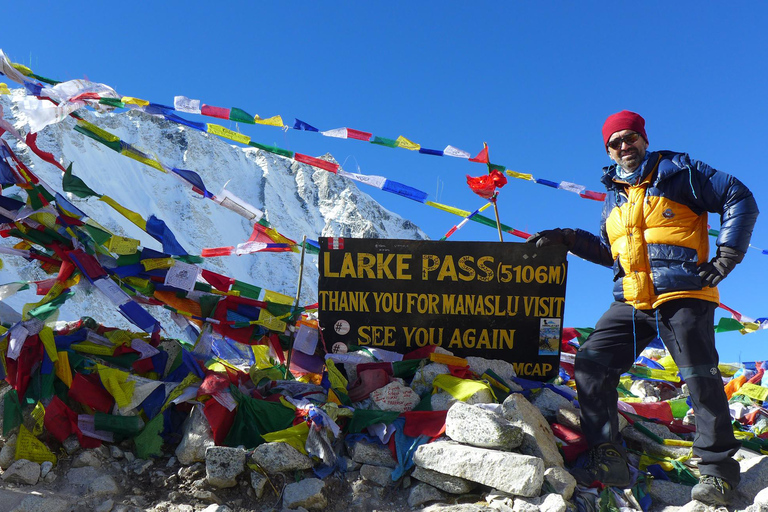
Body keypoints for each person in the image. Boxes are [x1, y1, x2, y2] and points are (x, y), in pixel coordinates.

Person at [527, 110, 758, 506]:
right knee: (591, 364)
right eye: (614, 142)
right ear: (608, 150)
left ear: (644, 139)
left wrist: (726, 257)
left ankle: (718, 475)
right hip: (632, 299)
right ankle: (608, 456)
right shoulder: (613, 196)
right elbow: (611, 252)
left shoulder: (680, 171)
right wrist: (566, 237)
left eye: (629, 137)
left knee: (699, 378)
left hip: (683, 294)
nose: (623, 146)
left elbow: (739, 195)